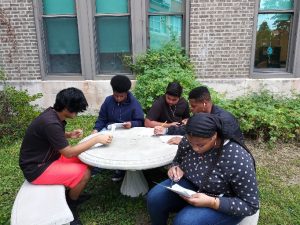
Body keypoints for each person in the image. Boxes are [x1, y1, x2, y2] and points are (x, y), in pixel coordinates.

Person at [19, 87, 113, 225]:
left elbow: (51, 135)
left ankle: (72, 194)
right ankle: (71, 206)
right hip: (37, 168)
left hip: (50, 159)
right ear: (67, 108)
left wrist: (68, 135)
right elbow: (68, 152)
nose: (77, 113)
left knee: (87, 159)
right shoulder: (50, 122)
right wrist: (95, 140)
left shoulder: (52, 115)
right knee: (84, 173)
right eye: (76, 110)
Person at [147, 113, 259, 225]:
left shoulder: (237, 158)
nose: (195, 149)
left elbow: (250, 205)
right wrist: (175, 167)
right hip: (192, 186)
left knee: (185, 222)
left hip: (221, 198)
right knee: (154, 198)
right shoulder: (189, 139)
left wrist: (212, 202)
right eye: (191, 143)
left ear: (214, 136)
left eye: (201, 145)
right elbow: (177, 160)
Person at [92, 75, 144, 181]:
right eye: (116, 96)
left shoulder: (134, 103)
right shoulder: (108, 101)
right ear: (113, 92)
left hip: (128, 131)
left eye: (121, 96)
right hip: (110, 129)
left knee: (123, 147)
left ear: (126, 93)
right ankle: (97, 166)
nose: (118, 99)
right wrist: (96, 129)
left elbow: (140, 121)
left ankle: (120, 170)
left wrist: (132, 124)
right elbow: (102, 118)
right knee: (96, 141)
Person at [154, 86, 244, 145]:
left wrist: (184, 141)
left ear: (204, 104)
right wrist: (166, 130)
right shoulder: (201, 115)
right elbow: (187, 128)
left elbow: (215, 143)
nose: (191, 109)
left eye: (193, 106)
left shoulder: (223, 119)